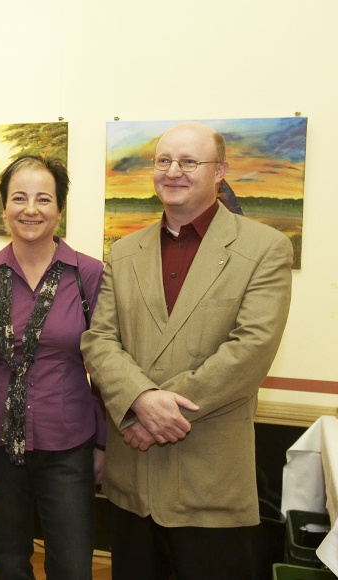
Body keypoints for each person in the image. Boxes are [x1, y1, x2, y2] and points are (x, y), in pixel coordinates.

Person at [80, 122, 294, 580]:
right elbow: (99, 340)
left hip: (209, 487)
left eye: (189, 162)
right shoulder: (122, 252)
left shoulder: (265, 248)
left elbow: (250, 350)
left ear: (221, 171)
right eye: (163, 161)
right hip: (132, 485)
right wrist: (139, 402)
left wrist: (152, 413)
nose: (173, 171)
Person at [0, 155, 106, 580]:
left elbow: (106, 364)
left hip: (69, 444)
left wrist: (102, 444)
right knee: (8, 563)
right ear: (4, 207)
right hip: (0, 446)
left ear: (60, 209)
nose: (31, 209)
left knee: (71, 563)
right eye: (19, 198)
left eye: (43, 198)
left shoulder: (89, 275)